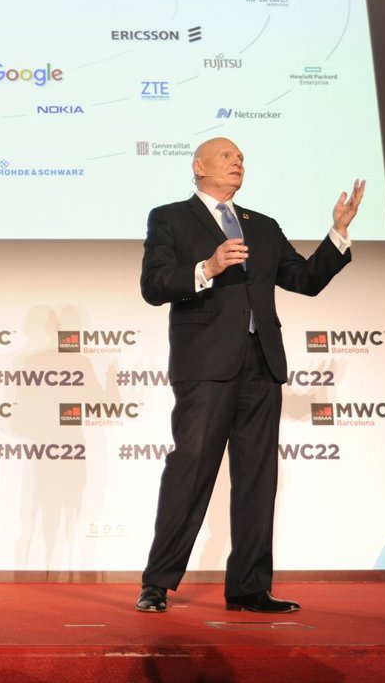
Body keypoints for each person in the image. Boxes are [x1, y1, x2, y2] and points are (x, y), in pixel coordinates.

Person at [136, 136, 363, 614]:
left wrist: (337, 233)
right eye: (226, 155)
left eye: (241, 157)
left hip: (262, 364)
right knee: (191, 470)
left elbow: (304, 280)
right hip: (206, 366)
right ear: (198, 166)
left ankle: (249, 588)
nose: (237, 161)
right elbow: (154, 285)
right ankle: (157, 583)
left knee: (258, 479)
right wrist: (207, 267)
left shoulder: (262, 225)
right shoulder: (170, 218)